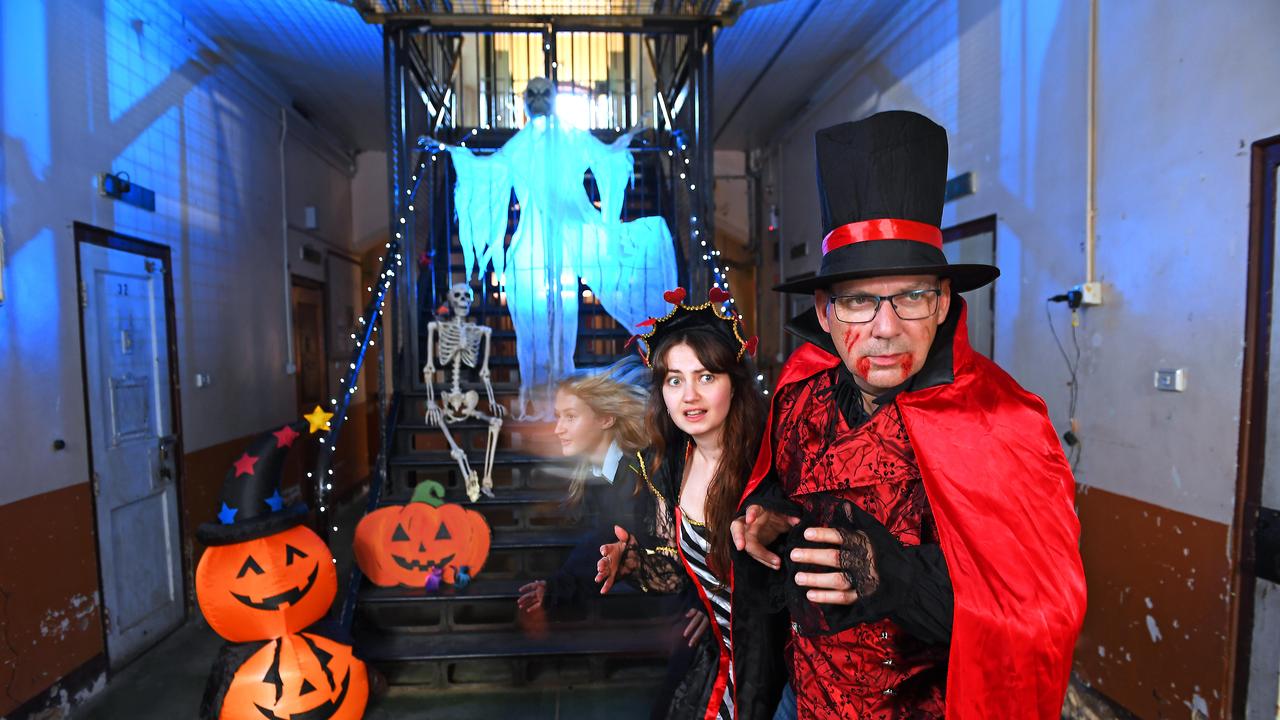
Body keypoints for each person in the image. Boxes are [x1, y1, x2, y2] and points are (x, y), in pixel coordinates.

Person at [732, 110, 1087, 719]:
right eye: (859, 301)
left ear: (945, 301)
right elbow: (782, 494)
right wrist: (762, 515)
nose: (886, 329)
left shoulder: (1001, 423)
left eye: (913, 296)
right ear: (824, 312)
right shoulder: (799, 395)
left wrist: (901, 577)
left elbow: (1039, 616)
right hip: (801, 701)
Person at [595, 291, 785, 719]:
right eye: (675, 380)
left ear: (734, 382)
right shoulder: (669, 466)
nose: (690, 395)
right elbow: (679, 573)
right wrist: (635, 566)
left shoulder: (771, 461)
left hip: (784, 669)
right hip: (721, 661)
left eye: (706, 377)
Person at [516, 368, 651, 616]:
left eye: (570, 417)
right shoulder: (593, 476)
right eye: (558, 417)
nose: (558, 429)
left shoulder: (640, 473)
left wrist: (700, 602)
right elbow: (599, 540)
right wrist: (556, 587)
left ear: (606, 419)